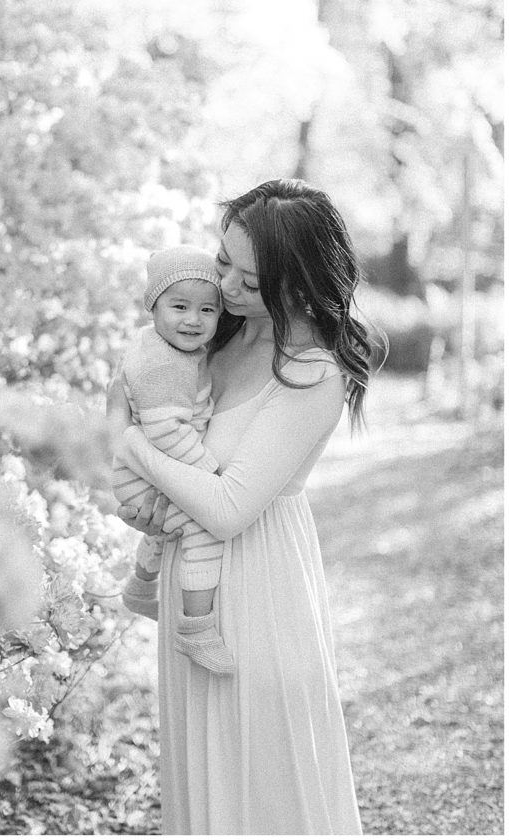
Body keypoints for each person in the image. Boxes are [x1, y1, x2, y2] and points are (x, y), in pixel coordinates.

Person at [109, 178, 373, 835]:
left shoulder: (313, 372)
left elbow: (228, 507)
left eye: (246, 279)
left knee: (266, 782)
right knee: (204, 780)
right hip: (189, 580)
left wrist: (134, 450)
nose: (223, 285)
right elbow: (139, 393)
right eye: (222, 260)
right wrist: (134, 488)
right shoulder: (221, 333)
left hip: (258, 589)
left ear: (297, 283)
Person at [113, 245, 234, 675]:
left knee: (169, 527)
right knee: (202, 530)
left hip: (142, 467)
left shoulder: (169, 349)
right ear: (153, 307)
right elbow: (165, 432)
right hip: (141, 470)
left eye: (207, 309)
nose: (193, 320)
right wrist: (209, 473)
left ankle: (142, 587)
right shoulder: (162, 363)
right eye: (179, 306)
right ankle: (196, 628)